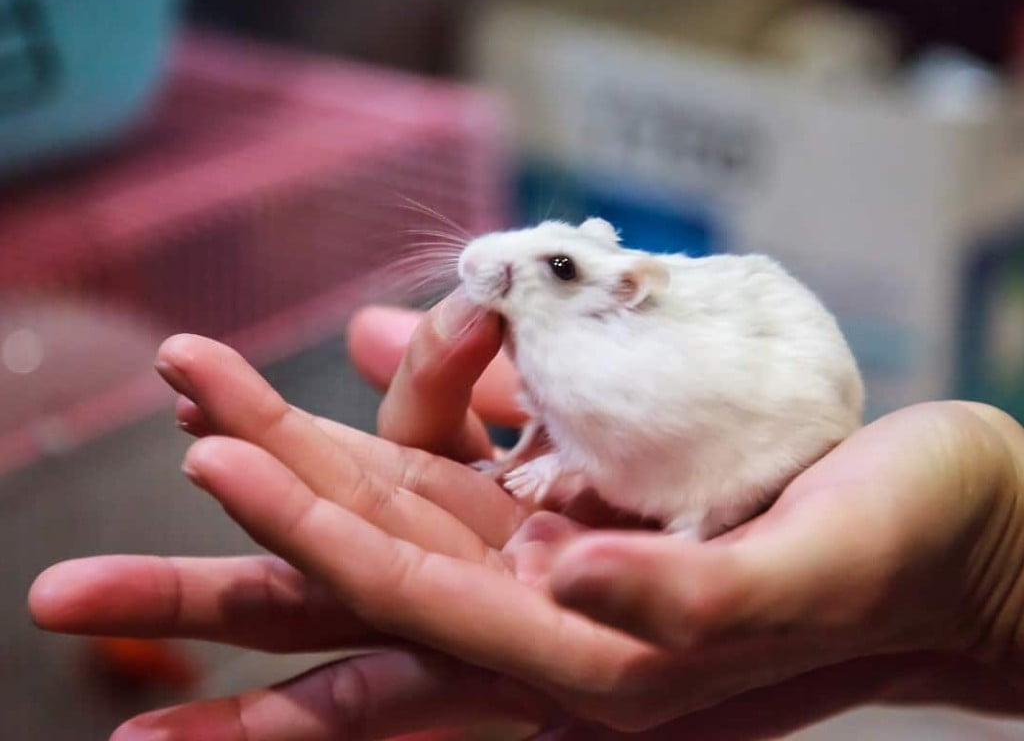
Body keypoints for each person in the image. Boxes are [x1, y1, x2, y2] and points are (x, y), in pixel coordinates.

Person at [28, 290, 1024, 740]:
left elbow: (643, 437)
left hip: (737, 464)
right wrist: (963, 603)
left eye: (551, 273)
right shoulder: (578, 362)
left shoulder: (649, 370)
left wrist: (996, 564)